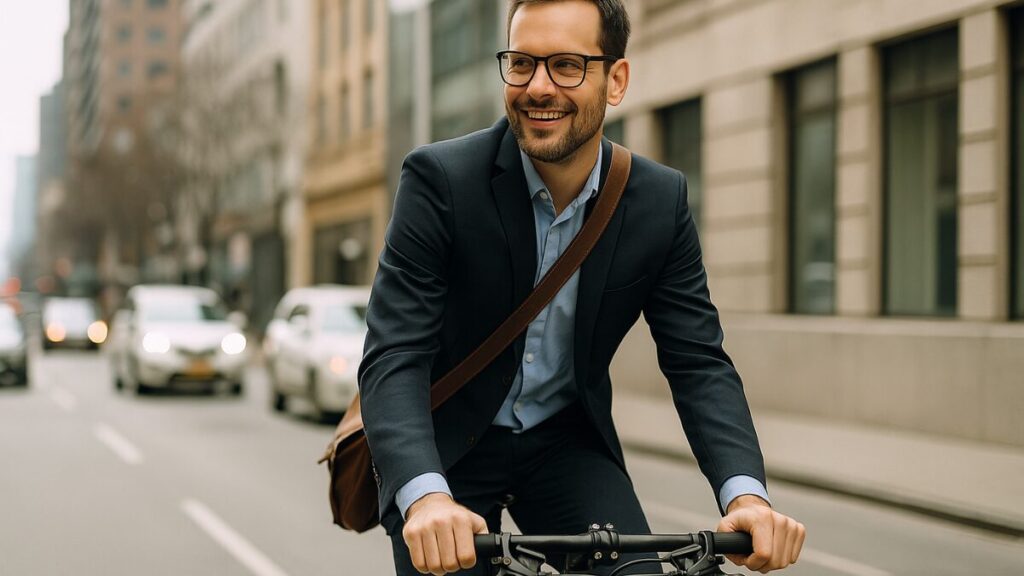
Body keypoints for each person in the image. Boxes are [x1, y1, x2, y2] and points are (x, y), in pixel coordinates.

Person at [358, 1, 806, 574]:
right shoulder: (439, 180)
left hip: (564, 445)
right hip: (443, 448)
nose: (538, 87)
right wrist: (424, 497)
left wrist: (746, 497)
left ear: (616, 80)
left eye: (567, 65)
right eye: (523, 63)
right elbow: (395, 353)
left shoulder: (659, 201)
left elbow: (697, 361)